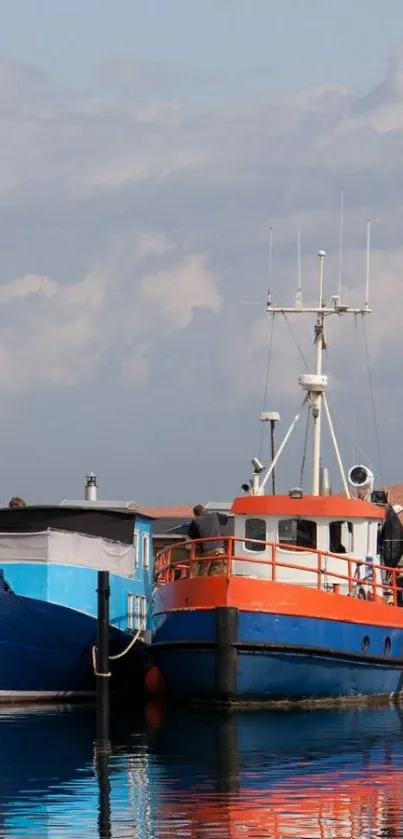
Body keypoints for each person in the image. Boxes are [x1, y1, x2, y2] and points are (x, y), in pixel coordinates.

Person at [188, 505, 226, 576]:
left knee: (203, 576)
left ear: (196, 514)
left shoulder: (196, 521)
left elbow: (192, 535)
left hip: (207, 552)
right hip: (220, 551)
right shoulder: (215, 515)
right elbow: (225, 519)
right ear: (205, 510)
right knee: (219, 575)